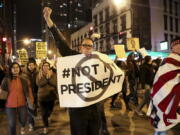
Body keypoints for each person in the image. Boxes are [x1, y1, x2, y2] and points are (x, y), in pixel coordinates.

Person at [43, 7, 102, 135]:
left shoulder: (98, 61)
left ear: (93, 48)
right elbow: (61, 42)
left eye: (90, 46)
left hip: (94, 109)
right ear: (80, 48)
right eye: (85, 45)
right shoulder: (72, 57)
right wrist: (48, 20)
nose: (87, 48)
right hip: (77, 109)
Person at [147, 37, 180, 135]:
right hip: (166, 97)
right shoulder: (169, 60)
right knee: (162, 121)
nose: (178, 48)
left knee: (162, 123)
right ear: (173, 47)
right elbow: (161, 80)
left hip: (171, 98)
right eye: (177, 46)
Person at [0, 62, 34, 135]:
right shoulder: (6, 79)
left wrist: (31, 101)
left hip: (22, 104)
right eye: (13, 67)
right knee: (12, 124)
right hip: (10, 105)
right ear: (10, 69)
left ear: (19, 69)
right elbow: (2, 95)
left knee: (23, 119)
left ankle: (22, 126)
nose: (15, 69)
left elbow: (29, 91)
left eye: (17, 67)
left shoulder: (24, 79)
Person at [36, 61, 57, 134]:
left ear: (49, 66)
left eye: (47, 66)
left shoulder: (53, 74)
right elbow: (39, 83)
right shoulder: (39, 74)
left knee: (50, 111)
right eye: (44, 66)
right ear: (42, 67)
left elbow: (55, 83)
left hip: (51, 96)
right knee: (43, 113)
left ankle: (48, 117)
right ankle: (45, 126)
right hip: (42, 97)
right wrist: (48, 79)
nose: (46, 67)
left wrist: (49, 79)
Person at [26, 59, 39, 131]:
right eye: (29, 65)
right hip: (29, 94)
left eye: (32, 65)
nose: (31, 66)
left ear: (35, 65)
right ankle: (31, 124)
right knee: (30, 109)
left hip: (37, 93)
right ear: (27, 66)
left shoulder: (38, 73)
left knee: (35, 109)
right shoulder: (25, 74)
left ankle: (33, 117)